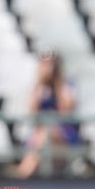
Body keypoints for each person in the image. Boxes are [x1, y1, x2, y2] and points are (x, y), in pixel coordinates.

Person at [14, 48, 81, 178]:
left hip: (63, 135)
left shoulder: (67, 85)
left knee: (46, 134)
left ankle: (22, 174)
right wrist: (40, 82)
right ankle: (25, 173)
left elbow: (66, 111)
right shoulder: (38, 87)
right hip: (38, 135)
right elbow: (32, 111)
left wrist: (57, 83)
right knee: (42, 136)